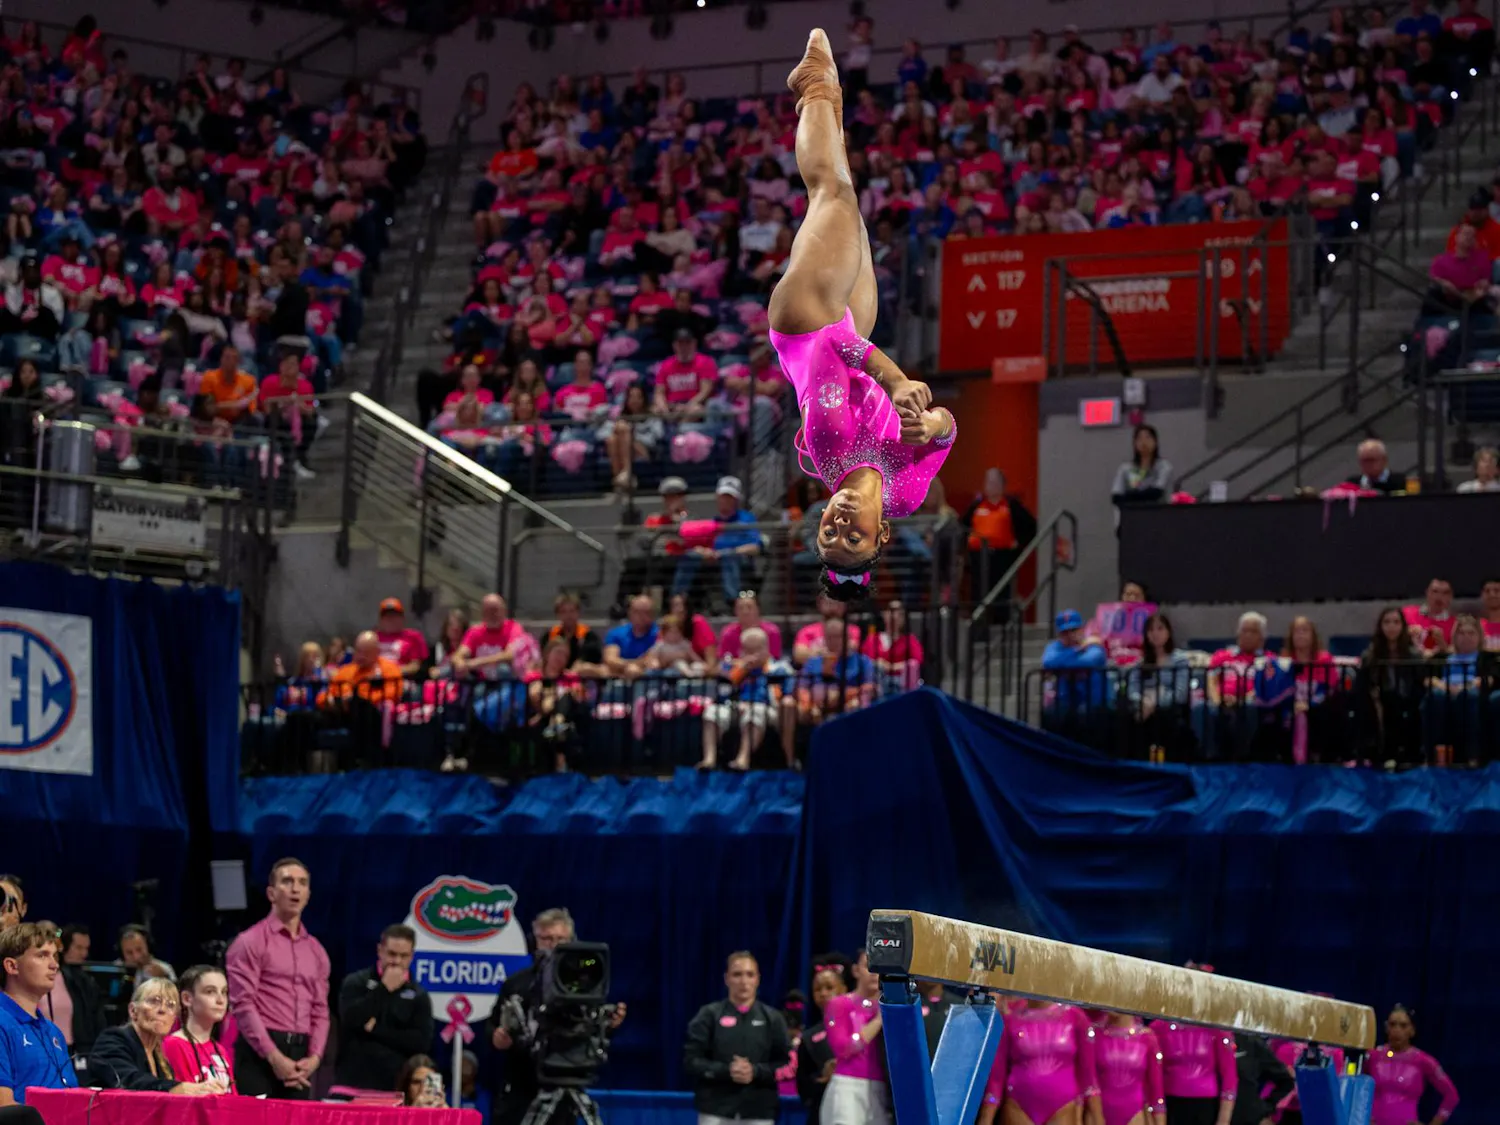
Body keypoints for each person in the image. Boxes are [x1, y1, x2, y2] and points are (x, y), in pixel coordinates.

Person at [770, 30, 957, 606]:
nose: (840, 522)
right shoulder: (905, 497)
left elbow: (836, 348)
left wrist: (898, 382)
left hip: (807, 324)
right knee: (842, 191)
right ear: (880, 535)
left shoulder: (828, 450)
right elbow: (944, 435)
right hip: (852, 325)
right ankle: (829, 102)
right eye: (852, 536)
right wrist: (936, 424)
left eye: (829, 531)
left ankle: (813, 89)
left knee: (833, 195)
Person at [485, 909, 627, 1125]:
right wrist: (498, 1036)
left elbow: (591, 1025)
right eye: (547, 938)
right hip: (521, 1085)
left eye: (561, 939)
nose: (553, 944)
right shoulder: (517, 983)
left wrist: (610, 1025)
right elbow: (493, 1026)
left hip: (565, 1080)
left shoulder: (585, 985)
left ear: (572, 940)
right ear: (536, 940)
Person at [225, 857, 331, 1100]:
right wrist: (274, 1056)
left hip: (300, 1056)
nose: (295, 888)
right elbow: (243, 1005)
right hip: (258, 1052)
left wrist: (314, 1057)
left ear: (308, 894)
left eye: (302, 883)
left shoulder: (316, 951)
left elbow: (320, 1010)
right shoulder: (249, 942)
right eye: (287, 881)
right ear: (271, 893)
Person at [683, 952, 792, 1125]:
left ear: (758, 979)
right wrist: (727, 1071)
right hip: (715, 1110)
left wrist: (755, 1072)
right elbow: (691, 1061)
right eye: (737, 974)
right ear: (726, 979)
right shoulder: (708, 1015)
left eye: (750, 974)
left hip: (759, 1111)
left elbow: (786, 1063)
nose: (744, 982)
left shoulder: (773, 1018)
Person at [336, 924, 433, 1093]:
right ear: (380, 950)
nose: (396, 961)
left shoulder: (419, 995)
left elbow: (420, 1043)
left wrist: (375, 1030)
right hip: (351, 1085)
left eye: (403, 956)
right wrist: (384, 989)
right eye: (392, 954)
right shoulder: (356, 982)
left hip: (394, 1089)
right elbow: (350, 1020)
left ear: (411, 957)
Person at [90, 977, 226, 1094]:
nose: (162, 1010)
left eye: (170, 1005)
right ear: (133, 1011)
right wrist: (179, 1088)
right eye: (154, 1001)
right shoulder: (113, 1039)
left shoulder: (160, 1055)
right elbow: (128, 1080)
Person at [977, 1001, 1102, 1125]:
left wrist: (1096, 1116)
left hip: (1063, 1106)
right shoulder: (1011, 1017)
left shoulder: (1075, 1016)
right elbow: (997, 1077)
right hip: (1019, 1106)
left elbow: (1088, 1078)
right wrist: (986, 1117)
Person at [0, 922, 78, 1106]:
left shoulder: (53, 1031)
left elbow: (75, 1100)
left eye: (55, 956)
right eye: (42, 955)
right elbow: (3, 1107)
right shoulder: (2, 1023)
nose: (54, 965)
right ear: (12, 966)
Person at [820, 950, 890, 1125]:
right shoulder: (839, 1004)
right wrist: (878, 1020)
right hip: (848, 1086)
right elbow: (843, 1047)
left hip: (881, 1088)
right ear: (856, 970)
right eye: (869, 967)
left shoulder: (890, 1009)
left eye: (879, 968)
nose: (874, 974)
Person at [1356, 606, 1425, 766]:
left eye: (1396, 622)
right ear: (1380, 626)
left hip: (1408, 704)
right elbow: (1364, 686)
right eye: (1387, 622)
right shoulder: (1370, 656)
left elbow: (1419, 685)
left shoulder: (1413, 655)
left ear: (1403, 626)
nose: (1391, 626)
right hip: (1381, 702)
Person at [1368, 1005, 1458, 1125]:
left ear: (1412, 1030)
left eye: (1403, 1025)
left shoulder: (1423, 1061)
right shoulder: (1372, 1056)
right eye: (1392, 1024)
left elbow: (1451, 1096)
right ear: (1386, 1028)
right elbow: (1352, 1085)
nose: (1397, 1030)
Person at [962, 468, 1036, 611]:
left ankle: (1001, 622)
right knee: (979, 595)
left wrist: (1018, 544)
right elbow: (962, 526)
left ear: (1003, 485)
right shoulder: (976, 505)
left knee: (1002, 595)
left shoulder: (1011, 505)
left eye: (995, 482)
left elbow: (1031, 526)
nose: (992, 485)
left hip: (1003, 558)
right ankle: (979, 625)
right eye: (989, 482)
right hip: (979, 559)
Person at [1149, 1012, 1237, 1125]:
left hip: (1206, 1107)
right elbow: (1152, 1077)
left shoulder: (1217, 1027)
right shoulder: (1159, 1027)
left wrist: (1224, 1120)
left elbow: (1229, 1075)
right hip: (1171, 1105)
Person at [163, 966, 235, 1092]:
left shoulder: (220, 1050)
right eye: (210, 991)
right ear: (186, 999)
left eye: (224, 992)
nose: (220, 1000)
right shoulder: (174, 1045)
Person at [796, 960, 847, 1123]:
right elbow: (803, 1086)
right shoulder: (809, 1037)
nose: (823, 993)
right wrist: (821, 1077)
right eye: (818, 989)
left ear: (843, 989)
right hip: (822, 1112)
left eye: (829, 987)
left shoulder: (860, 1026)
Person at [1095, 1013, 1164, 1125]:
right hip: (1100, 1114)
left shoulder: (1147, 1038)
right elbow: (1088, 1081)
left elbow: (1156, 1091)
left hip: (1134, 1115)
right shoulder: (1096, 1034)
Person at [1227, 1032, 1292, 1125]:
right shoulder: (1205, 1037)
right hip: (1206, 1113)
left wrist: (1264, 1108)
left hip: (1246, 1118)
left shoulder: (1250, 1042)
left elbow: (1285, 1080)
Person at [1112, 425, 1173, 506]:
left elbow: (1156, 493)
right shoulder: (1126, 469)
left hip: (1159, 513)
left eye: (1148, 437)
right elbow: (1116, 497)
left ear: (1155, 442)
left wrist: (1130, 495)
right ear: (1134, 444)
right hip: (1132, 514)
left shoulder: (1164, 466)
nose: (1144, 442)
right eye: (1139, 438)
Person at [374, 598, 430, 677]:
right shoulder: (372, 638)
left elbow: (415, 666)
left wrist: (391, 672)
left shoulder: (413, 637)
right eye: (387, 616)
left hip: (401, 680)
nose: (391, 620)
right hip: (374, 680)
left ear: (402, 618)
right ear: (381, 620)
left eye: (395, 616)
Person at [1403, 577, 1455, 654]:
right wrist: (1404, 632)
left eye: (1445, 593)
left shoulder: (1455, 625)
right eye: (1435, 591)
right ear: (1427, 593)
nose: (1439, 597)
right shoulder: (1407, 613)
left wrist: (1442, 645)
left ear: (1451, 597)